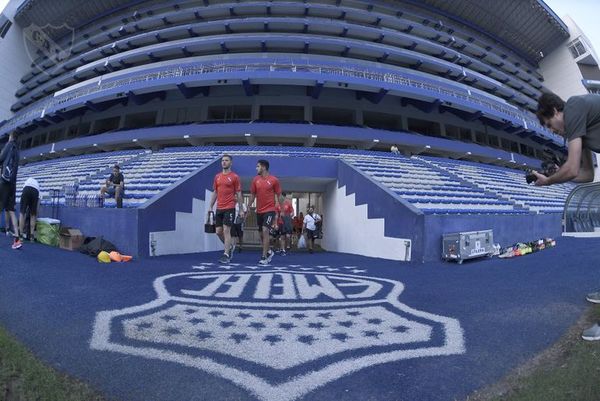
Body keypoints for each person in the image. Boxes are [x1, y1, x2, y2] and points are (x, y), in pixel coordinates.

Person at [535, 92, 600, 341]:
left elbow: (572, 168)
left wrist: (550, 180)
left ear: (555, 111)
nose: (553, 132)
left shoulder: (573, 106)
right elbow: (585, 175)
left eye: (550, 125)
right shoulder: (579, 130)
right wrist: (555, 173)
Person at [207, 154, 244, 264]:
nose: (224, 162)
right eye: (222, 160)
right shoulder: (217, 176)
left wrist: (241, 209)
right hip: (219, 208)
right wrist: (210, 206)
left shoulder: (235, 177)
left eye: (226, 160)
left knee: (226, 230)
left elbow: (239, 193)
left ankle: (226, 254)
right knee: (218, 232)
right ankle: (230, 246)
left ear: (230, 163)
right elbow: (215, 192)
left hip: (230, 207)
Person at [247, 159, 281, 265]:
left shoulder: (274, 180)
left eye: (258, 166)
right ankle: (269, 251)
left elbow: (278, 195)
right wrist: (248, 206)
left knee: (265, 230)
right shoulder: (255, 180)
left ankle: (264, 256)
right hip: (259, 211)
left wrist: (278, 210)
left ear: (264, 167)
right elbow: (252, 195)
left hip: (269, 210)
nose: (256, 168)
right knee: (261, 234)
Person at [0, 131, 22, 249]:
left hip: (5, 181)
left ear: (11, 137)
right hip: (13, 184)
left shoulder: (9, 145)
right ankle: (17, 239)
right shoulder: (18, 150)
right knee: (11, 210)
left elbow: (1, 158)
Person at [19, 177, 40, 242]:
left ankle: (20, 235)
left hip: (26, 189)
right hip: (35, 191)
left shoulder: (27, 182)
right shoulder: (37, 185)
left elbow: (22, 193)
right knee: (33, 215)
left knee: (22, 213)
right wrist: (35, 212)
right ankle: (32, 237)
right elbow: (38, 204)